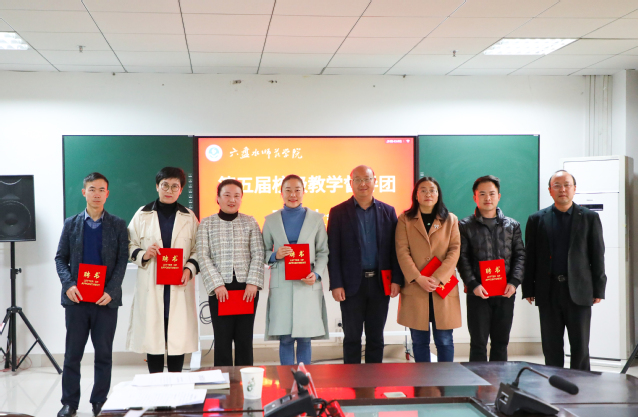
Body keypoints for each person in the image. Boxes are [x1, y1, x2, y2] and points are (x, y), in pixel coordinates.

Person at [54, 173, 128, 417]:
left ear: (108, 194)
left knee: (104, 355)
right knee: (72, 355)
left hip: (105, 301)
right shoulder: (71, 224)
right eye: (92, 189)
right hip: (76, 300)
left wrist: (111, 291)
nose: (97, 194)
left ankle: (99, 401)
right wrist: (68, 285)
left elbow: (122, 261)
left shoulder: (118, 224)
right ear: (84, 192)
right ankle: (69, 403)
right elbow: (60, 258)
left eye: (101, 190)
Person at [523, 170, 606, 371]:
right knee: (551, 346)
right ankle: (554, 385)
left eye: (567, 185)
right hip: (548, 290)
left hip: (579, 290)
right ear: (550, 190)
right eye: (557, 185)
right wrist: (528, 288)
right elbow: (530, 256)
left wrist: (598, 288)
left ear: (574, 189)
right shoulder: (536, 219)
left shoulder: (589, 217)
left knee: (580, 347)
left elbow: (597, 254)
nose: (562, 189)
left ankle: (581, 385)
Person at [126, 167, 200, 373]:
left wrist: (189, 269)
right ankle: (155, 384)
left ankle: (175, 382)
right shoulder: (142, 214)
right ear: (157, 187)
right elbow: (128, 244)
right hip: (151, 284)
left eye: (175, 186)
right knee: (154, 339)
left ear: (181, 189)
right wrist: (144, 254)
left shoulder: (189, 217)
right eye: (165, 185)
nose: (169, 190)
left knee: (177, 339)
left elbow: (199, 249)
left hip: (178, 285)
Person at [327, 165, 403, 364]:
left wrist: (396, 280)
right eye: (358, 179)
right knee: (352, 338)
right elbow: (333, 252)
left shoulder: (388, 211)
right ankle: (352, 379)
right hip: (351, 285)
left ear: (374, 181)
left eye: (367, 179)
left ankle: (373, 379)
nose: (363, 184)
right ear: (350, 183)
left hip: (380, 283)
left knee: (376, 337)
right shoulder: (338, 212)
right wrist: (336, 284)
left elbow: (395, 250)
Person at [262, 175, 330, 365]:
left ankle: (303, 380)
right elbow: (262, 251)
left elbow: (323, 251)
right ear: (281, 193)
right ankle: (287, 379)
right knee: (285, 338)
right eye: (288, 190)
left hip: (306, 282)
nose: (293, 194)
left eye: (297, 190)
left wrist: (316, 274)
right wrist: (275, 255)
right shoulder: (271, 220)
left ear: (303, 192)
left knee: (305, 338)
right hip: (282, 284)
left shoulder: (316, 219)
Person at [197, 178, 265, 366]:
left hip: (246, 290)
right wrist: (217, 285)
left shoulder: (250, 222)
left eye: (237, 196)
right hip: (220, 291)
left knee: (245, 340)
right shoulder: (207, 223)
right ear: (218, 198)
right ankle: (224, 380)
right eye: (227, 195)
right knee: (222, 341)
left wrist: (253, 282)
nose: (232, 200)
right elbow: (203, 256)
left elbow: (258, 253)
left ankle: (245, 380)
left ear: (241, 198)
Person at [457, 175, 525, 362]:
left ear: (499, 196)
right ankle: (477, 381)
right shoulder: (464, 226)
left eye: (492, 193)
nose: (488, 198)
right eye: (482, 194)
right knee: (478, 344)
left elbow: (520, 255)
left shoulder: (512, 225)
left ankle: (499, 380)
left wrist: (514, 282)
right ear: (475, 197)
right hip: (478, 293)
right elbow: (462, 258)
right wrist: (473, 284)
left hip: (505, 293)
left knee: (501, 343)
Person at [395, 176, 461, 362]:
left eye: (432, 190)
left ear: (438, 194)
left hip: (443, 286)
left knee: (444, 341)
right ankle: (423, 378)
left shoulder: (450, 220)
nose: (428, 194)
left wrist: (438, 277)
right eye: (423, 190)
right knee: (419, 341)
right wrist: (418, 277)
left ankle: (446, 379)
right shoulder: (405, 219)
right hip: (416, 286)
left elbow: (455, 250)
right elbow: (402, 251)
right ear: (416, 195)